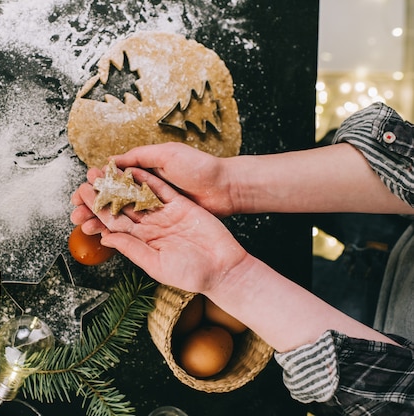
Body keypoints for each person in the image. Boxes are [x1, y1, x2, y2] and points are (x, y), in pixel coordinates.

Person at [70, 102, 414, 415]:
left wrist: (229, 276)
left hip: (364, 334)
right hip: (399, 232)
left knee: (311, 277)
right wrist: (231, 184)